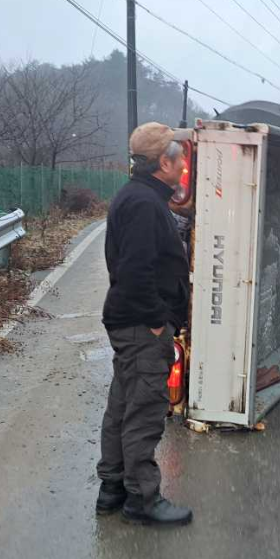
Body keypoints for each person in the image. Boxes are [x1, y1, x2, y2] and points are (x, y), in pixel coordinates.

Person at [98, 122, 193, 526]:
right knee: (145, 410)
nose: (185, 164)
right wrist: (158, 321)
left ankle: (113, 488)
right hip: (141, 325)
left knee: (122, 405)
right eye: (180, 157)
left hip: (131, 321)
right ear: (163, 163)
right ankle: (142, 498)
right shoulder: (143, 204)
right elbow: (136, 271)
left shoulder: (139, 196)